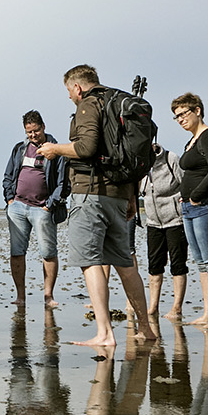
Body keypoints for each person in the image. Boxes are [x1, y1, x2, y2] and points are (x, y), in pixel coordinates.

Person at [36, 65, 156, 348]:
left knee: (90, 262)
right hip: (119, 197)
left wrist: (55, 149)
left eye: (68, 91)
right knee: (125, 263)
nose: (69, 97)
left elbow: (87, 148)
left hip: (89, 195)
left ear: (77, 87)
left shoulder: (89, 104)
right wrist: (130, 198)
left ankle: (104, 333)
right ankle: (146, 327)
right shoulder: (117, 103)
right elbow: (126, 157)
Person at [170, 93, 208, 332]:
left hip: (207, 206)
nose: (180, 120)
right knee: (202, 263)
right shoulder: (192, 140)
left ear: (197, 110)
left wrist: (195, 195)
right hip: (189, 208)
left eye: (184, 114)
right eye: (176, 117)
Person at [3, 110, 68, 311]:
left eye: (36, 131)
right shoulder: (20, 149)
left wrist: (50, 204)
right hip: (18, 207)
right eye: (29, 132)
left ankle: (48, 295)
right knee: (16, 252)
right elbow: (8, 175)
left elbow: (64, 182)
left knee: (48, 253)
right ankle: (20, 296)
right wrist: (10, 199)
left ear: (43, 127)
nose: (33, 135)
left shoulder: (56, 149)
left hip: (43, 209)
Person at [139, 142, 188, 324]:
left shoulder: (171, 159)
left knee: (178, 264)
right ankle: (153, 307)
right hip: (153, 222)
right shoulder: (141, 163)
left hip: (175, 221)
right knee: (154, 266)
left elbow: (185, 183)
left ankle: (177, 307)